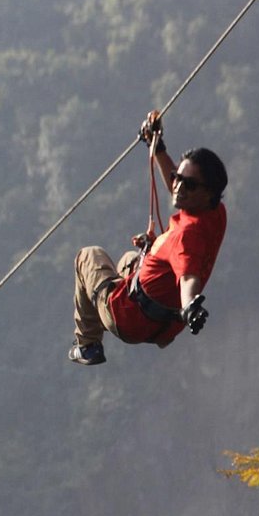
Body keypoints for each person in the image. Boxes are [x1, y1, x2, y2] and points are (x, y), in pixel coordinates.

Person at [68, 112, 227, 365]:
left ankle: (87, 344)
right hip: (164, 326)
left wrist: (191, 306)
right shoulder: (215, 213)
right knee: (130, 259)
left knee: (89, 256)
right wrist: (158, 148)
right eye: (178, 180)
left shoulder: (187, 237)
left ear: (208, 193)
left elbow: (188, 277)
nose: (178, 188)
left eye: (189, 186)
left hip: (129, 320)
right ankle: (142, 282)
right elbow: (179, 187)